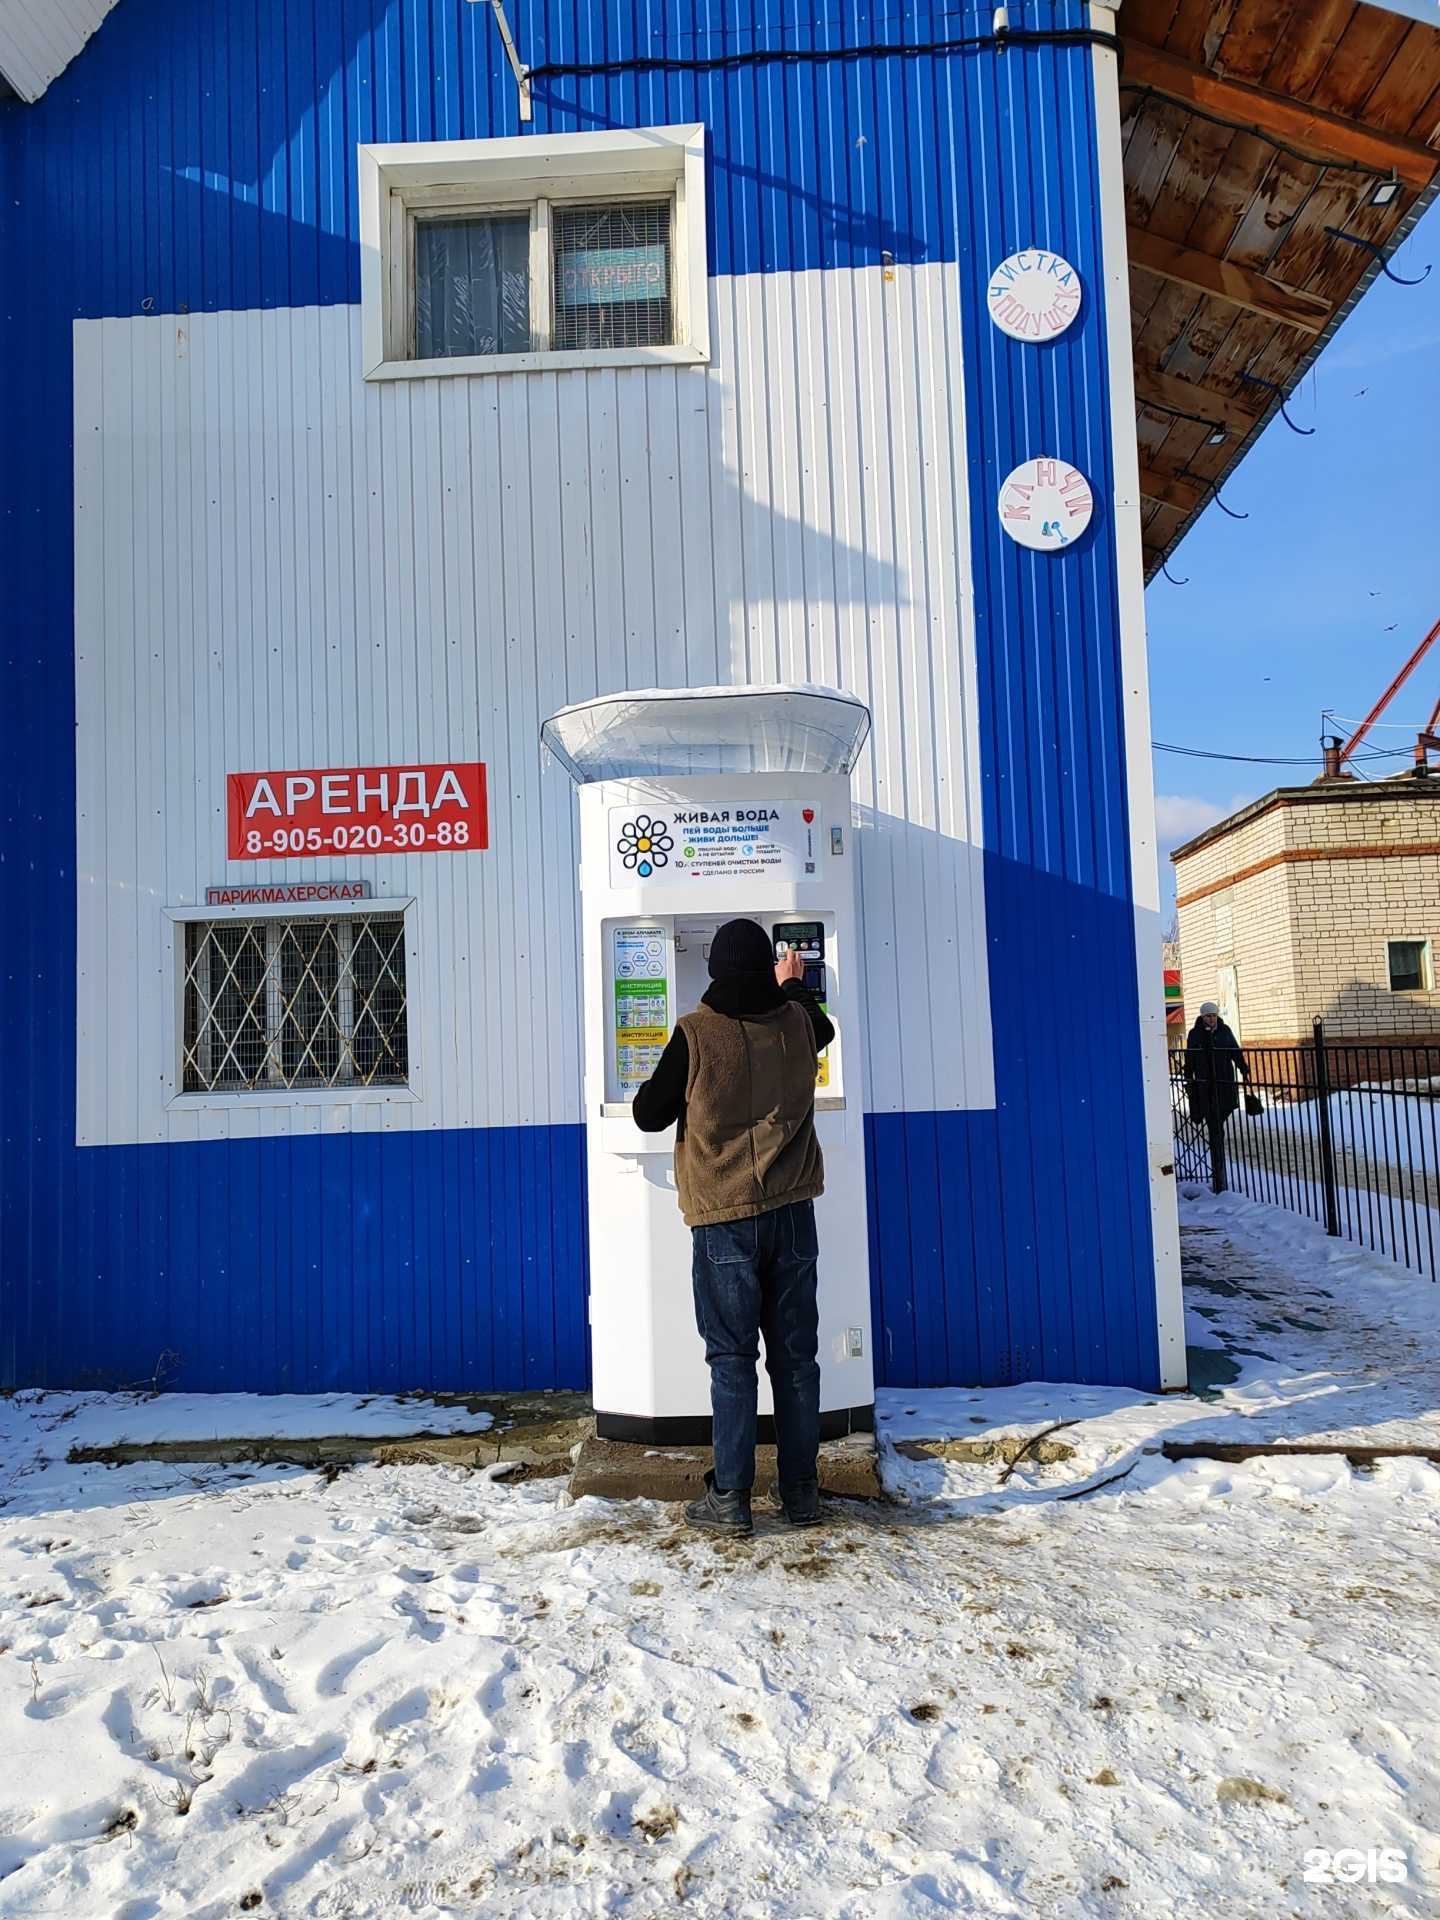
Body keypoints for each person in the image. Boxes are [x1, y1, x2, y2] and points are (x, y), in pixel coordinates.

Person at [632, 917, 834, 1535]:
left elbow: (646, 1113)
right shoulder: (798, 1022)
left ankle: (731, 1500)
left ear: (716, 970)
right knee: (796, 1360)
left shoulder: (696, 1034)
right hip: (793, 1212)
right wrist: (793, 985)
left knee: (731, 1361)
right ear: (769, 968)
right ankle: (801, 1494)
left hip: (724, 1219)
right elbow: (822, 1028)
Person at [1184, 1000, 1251, 1189]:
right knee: (1213, 1121)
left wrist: (1244, 1070)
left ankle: (1217, 1154)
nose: (1211, 1019)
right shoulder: (1195, 1034)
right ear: (1202, 1017)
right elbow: (1189, 1058)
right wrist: (1188, 1078)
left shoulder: (1225, 1031)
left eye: (1214, 1015)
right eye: (1208, 1016)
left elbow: (1235, 1052)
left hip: (1224, 1084)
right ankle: (1218, 1168)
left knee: (1220, 1116)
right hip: (1205, 1086)